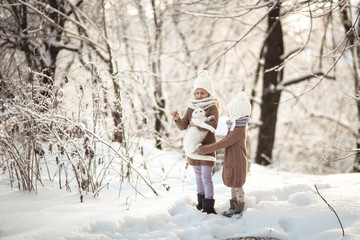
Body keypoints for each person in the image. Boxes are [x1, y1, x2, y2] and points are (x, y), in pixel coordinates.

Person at [171, 70, 219, 214]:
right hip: (193, 149)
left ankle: (209, 205)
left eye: (202, 93)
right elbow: (184, 126)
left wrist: (195, 123)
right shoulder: (192, 106)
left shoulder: (212, 106)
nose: (199, 96)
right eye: (197, 93)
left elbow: (214, 125)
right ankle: (201, 201)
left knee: (206, 176)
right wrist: (177, 119)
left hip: (206, 147)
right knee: (198, 176)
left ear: (209, 93)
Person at [197, 91, 251, 217]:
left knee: (237, 184)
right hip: (232, 159)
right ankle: (233, 206)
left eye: (231, 112)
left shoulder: (239, 129)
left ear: (238, 113)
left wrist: (206, 148)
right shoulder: (234, 126)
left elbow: (225, 142)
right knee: (233, 183)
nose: (228, 114)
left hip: (237, 161)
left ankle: (238, 208)